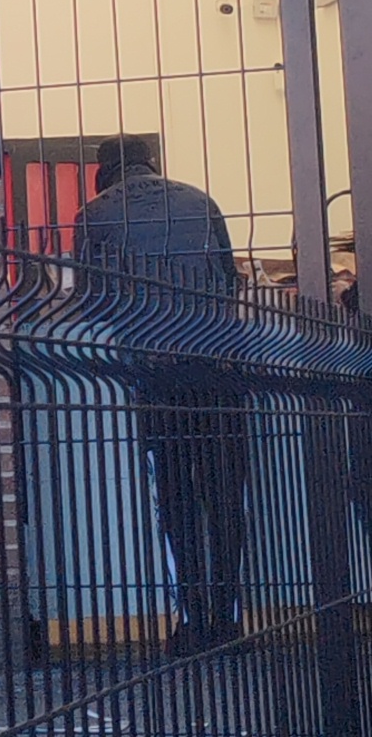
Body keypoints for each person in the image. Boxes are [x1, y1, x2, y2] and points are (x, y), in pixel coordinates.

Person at [73, 138, 248, 646]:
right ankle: (229, 619)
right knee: (225, 496)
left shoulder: (94, 215)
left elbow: (90, 301)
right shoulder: (201, 200)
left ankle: (191, 621)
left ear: (104, 170)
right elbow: (229, 280)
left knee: (174, 498)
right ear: (152, 162)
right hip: (219, 369)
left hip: (156, 376)